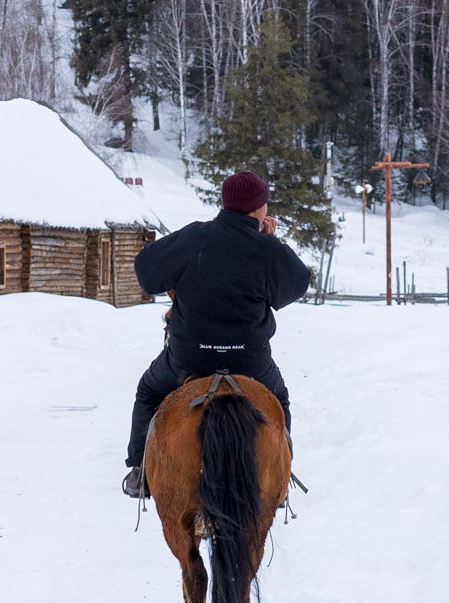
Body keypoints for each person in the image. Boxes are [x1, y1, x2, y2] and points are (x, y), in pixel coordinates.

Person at [121, 170, 311, 497]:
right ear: (257, 209)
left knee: (149, 392)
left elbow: (146, 272)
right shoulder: (265, 248)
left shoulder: (194, 238)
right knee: (278, 399)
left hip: (189, 358)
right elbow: (296, 285)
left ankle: (140, 471)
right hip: (249, 362)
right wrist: (267, 242)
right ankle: (279, 476)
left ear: (226, 204)